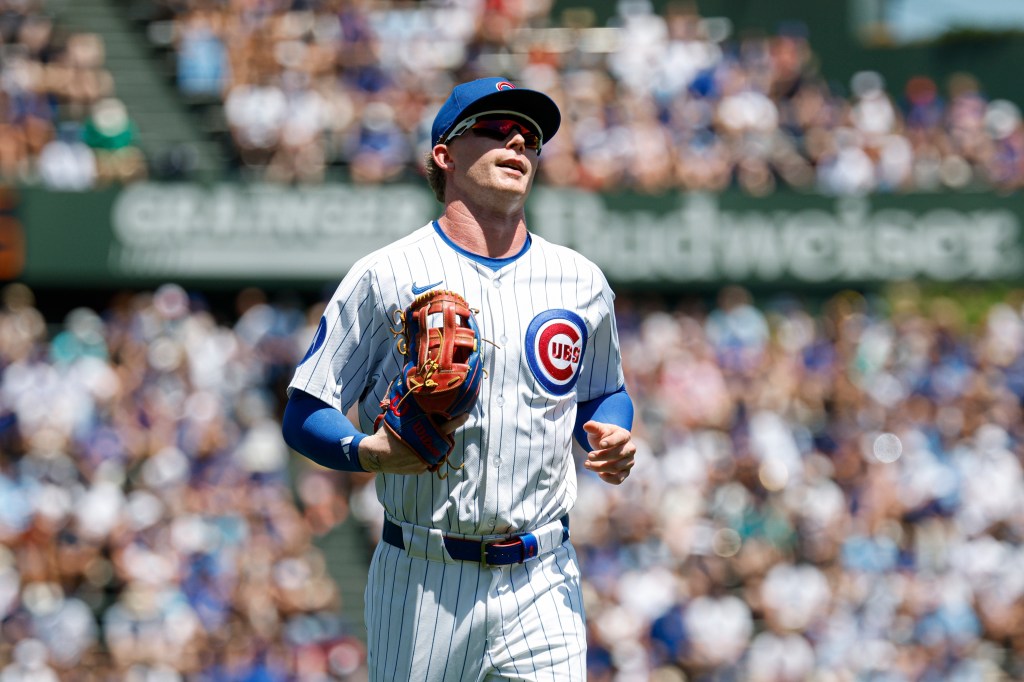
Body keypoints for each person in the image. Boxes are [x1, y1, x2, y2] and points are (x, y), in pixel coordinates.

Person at [281, 76, 637, 681]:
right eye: (497, 129)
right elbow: (305, 409)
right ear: (444, 154)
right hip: (423, 577)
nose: (519, 142)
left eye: (530, 137)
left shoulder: (578, 279)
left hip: (543, 574)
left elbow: (603, 389)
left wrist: (611, 431)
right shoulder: (386, 274)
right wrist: (368, 453)